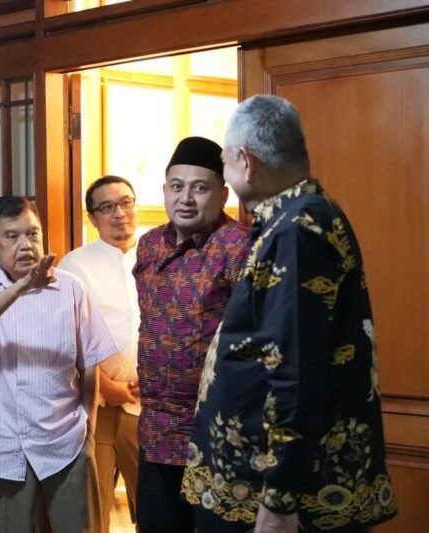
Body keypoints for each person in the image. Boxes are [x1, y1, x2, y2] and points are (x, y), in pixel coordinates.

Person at [182, 95, 397, 532]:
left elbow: (295, 366)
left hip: (276, 489)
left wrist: (279, 497)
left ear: (245, 161)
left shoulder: (297, 228)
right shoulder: (296, 216)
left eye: (224, 162)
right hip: (262, 476)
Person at [0, 195, 117, 533]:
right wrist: (22, 286)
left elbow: (90, 361)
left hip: (67, 437)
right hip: (3, 439)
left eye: (32, 233)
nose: (26, 244)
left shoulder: (71, 287)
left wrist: (88, 426)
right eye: (12, 236)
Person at [133, 136, 251, 532]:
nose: (185, 198)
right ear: (165, 189)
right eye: (177, 186)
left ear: (222, 194)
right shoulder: (149, 245)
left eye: (200, 188)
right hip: (155, 430)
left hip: (216, 433)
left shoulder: (240, 247)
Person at [57, 175, 141, 533]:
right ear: (92, 218)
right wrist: (107, 386)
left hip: (148, 403)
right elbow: (68, 338)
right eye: (107, 207)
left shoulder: (157, 254)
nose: (119, 213)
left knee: (157, 505)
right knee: (94, 506)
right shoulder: (74, 266)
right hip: (96, 401)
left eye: (126, 202)